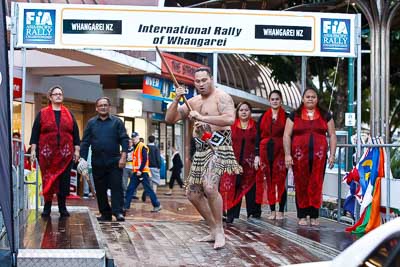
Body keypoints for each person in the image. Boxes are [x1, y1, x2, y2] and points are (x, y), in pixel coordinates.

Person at [165, 67, 241, 249]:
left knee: (209, 186)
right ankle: (213, 228)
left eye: (204, 80)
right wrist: (176, 99)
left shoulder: (222, 97)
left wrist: (202, 118)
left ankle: (220, 231)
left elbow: (230, 119)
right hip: (201, 149)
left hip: (220, 147)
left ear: (211, 79)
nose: (200, 84)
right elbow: (170, 119)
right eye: (197, 81)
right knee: (192, 193)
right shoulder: (193, 101)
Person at [283, 88, 337, 226]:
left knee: (316, 183)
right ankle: (302, 215)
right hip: (299, 157)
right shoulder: (294, 115)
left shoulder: (326, 115)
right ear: (303, 99)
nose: (310, 99)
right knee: (301, 184)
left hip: (319, 157)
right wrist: (288, 154)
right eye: (308, 96)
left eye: (313, 97)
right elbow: (286, 135)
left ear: (317, 99)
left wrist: (332, 155)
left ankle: (314, 215)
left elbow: (332, 135)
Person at [30, 85, 80, 218]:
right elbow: (35, 132)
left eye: (60, 94)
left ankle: (62, 208)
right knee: (48, 180)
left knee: (64, 181)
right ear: (50, 97)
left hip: (65, 155)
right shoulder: (42, 113)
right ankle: (47, 208)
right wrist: (34, 150)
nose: (58, 95)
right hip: (47, 155)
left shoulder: (69, 114)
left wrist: (77, 150)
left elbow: (75, 133)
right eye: (56, 94)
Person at [80, 97, 129, 222]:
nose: (103, 107)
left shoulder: (117, 122)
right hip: (97, 162)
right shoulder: (91, 123)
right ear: (96, 108)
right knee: (100, 189)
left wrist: (123, 156)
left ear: (109, 107)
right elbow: (85, 142)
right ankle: (105, 213)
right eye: (100, 105)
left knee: (116, 187)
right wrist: (83, 160)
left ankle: (118, 212)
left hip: (114, 161)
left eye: (105, 105)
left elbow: (124, 139)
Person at [220, 101, 260, 223]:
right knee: (233, 187)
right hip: (233, 162)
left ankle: (253, 213)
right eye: (241, 110)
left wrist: (258, 156)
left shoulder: (256, 126)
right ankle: (231, 214)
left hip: (250, 164)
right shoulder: (231, 126)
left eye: (246, 110)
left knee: (251, 187)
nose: (243, 112)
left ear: (250, 112)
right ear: (237, 112)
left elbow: (259, 143)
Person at [254, 90, 287, 220]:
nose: (275, 101)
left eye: (277, 99)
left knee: (281, 181)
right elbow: (258, 135)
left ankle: (281, 211)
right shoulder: (263, 117)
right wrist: (257, 154)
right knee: (269, 181)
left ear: (281, 100)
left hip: (281, 151)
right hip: (265, 151)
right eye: (272, 99)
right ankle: (272, 210)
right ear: (269, 101)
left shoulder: (287, 116)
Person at [124, 132, 162, 212]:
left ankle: (157, 205)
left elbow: (145, 159)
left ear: (138, 137)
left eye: (134, 138)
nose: (133, 140)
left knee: (148, 189)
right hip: (137, 172)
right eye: (132, 138)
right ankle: (126, 206)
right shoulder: (135, 146)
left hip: (143, 172)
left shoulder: (142, 146)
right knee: (130, 188)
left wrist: (140, 170)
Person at [141, 135, 161, 201]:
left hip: (146, 167)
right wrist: (159, 166)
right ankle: (154, 195)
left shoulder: (145, 147)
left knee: (148, 181)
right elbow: (158, 158)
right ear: (154, 140)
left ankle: (145, 192)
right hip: (154, 167)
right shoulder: (156, 148)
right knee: (155, 182)